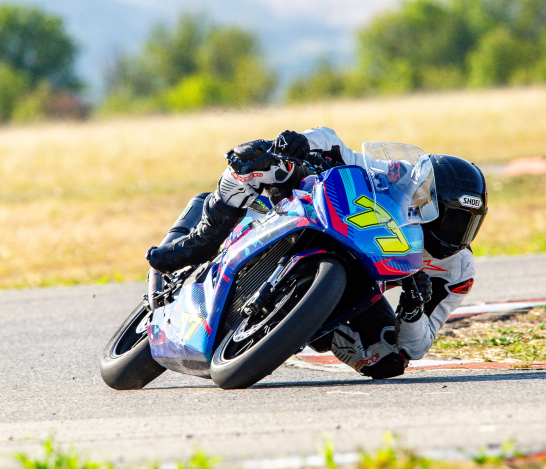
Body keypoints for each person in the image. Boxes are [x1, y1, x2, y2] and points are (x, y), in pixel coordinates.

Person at [146, 127, 488, 379]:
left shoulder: (457, 271)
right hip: (326, 216)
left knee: (388, 359)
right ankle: (203, 239)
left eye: (468, 225)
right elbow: (338, 147)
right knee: (260, 159)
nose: (456, 234)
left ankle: (300, 321)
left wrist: (413, 309)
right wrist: (301, 143)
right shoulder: (400, 178)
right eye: (452, 219)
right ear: (427, 200)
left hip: (357, 285)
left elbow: (417, 346)